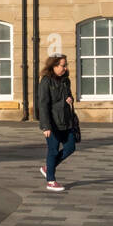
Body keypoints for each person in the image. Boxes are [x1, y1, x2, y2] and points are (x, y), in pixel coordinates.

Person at [37, 53, 77, 192]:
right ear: (54, 66)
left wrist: (70, 99)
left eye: (66, 65)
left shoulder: (66, 80)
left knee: (71, 147)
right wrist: (46, 126)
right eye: (62, 65)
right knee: (53, 151)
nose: (65, 68)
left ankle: (48, 168)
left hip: (66, 121)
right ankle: (51, 180)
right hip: (52, 123)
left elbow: (68, 95)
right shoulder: (46, 81)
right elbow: (43, 105)